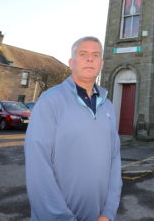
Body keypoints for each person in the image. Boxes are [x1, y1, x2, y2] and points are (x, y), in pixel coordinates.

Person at [25, 36, 122, 221]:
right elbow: (38, 168)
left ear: (101, 64)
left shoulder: (108, 106)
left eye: (95, 55)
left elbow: (114, 159)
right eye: (83, 54)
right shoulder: (50, 100)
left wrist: (108, 212)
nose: (89, 59)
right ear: (71, 62)